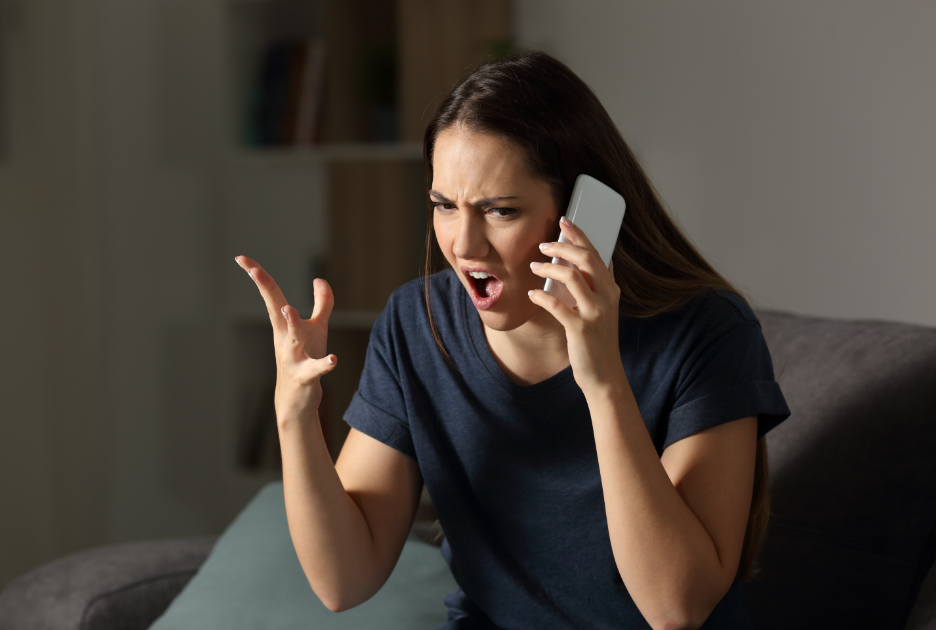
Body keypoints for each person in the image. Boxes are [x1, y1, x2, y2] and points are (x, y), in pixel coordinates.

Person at [235, 51, 790, 630]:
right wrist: (294, 417)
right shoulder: (415, 323)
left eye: (500, 211)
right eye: (444, 206)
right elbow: (342, 582)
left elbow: (676, 606)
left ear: (581, 213)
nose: (464, 244)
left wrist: (602, 383)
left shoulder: (708, 332)